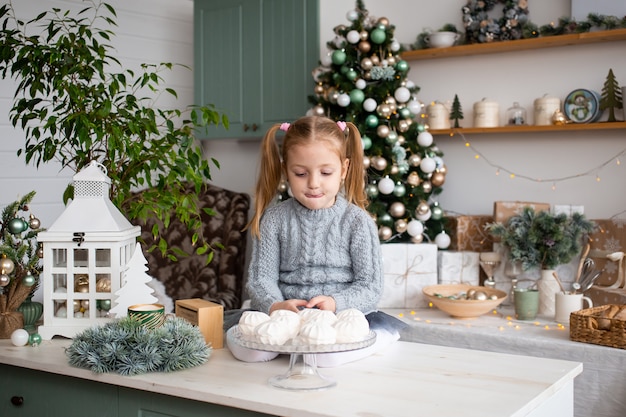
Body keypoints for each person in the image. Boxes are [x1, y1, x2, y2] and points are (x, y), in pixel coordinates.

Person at [225, 115, 406, 367]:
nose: (313, 183)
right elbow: (260, 278)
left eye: (325, 172)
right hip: (286, 315)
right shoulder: (275, 219)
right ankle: (290, 342)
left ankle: (381, 337)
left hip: (338, 317)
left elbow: (370, 286)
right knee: (251, 352)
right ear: (286, 170)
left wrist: (334, 304)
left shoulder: (357, 222)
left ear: (343, 169)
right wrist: (276, 305)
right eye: (300, 173)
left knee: (319, 355)